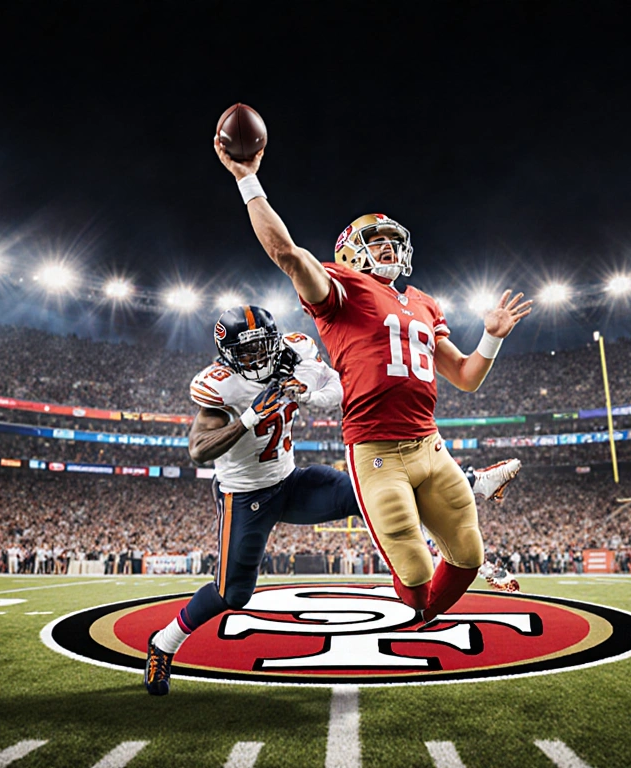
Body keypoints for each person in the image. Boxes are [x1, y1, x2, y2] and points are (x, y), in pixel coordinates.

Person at [214, 139, 532, 628]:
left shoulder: (425, 303)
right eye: (375, 240)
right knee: (416, 573)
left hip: (431, 444)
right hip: (376, 451)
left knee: (467, 554)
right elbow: (287, 254)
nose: (387, 246)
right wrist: (246, 177)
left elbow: (467, 378)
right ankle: (427, 592)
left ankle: (424, 615)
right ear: (349, 254)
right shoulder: (342, 290)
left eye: (391, 239)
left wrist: (491, 338)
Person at [144, 305, 522, 696]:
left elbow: (338, 387)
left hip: (290, 481)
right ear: (227, 356)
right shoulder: (219, 385)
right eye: (247, 352)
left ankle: (471, 485)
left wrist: (308, 392)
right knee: (232, 594)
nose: (257, 359)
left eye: (263, 348)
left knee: (374, 495)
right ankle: (163, 643)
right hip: (245, 495)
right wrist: (248, 420)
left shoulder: (294, 352)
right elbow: (199, 451)